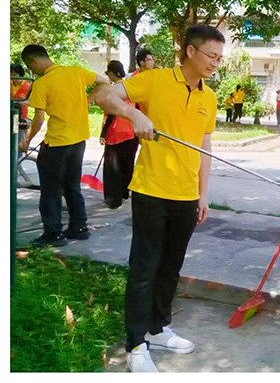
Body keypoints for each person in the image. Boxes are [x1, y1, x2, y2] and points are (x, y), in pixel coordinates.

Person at [93, 24, 223, 374]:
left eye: (220, 58)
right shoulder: (154, 79)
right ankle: (136, 343)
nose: (215, 63)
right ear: (191, 51)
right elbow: (103, 94)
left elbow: (204, 146)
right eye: (211, 56)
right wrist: (135, 113)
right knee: (144, 269)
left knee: (171, 267)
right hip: (152, 191)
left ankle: (158, 327)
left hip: (186, 195)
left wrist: (203, 193)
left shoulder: (207, 97)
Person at [18, 45, 108, 246]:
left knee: (50, 190)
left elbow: (39, 120)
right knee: (72, 187)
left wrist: (26, 141)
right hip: (78, 142)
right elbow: (104, 81)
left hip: (56, 144)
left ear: (34, 61)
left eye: (30, 67)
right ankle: (79, 228)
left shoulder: (42, 84)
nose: (32, 72)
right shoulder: (76, 72)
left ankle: (53, 234)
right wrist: (88, 101)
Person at [100, 60, 139, 210]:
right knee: (127, 165)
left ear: (112, 72)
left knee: (112, 168)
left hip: (116, 132)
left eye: (107, 72)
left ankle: (113, 199)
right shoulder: (132, 87)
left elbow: (111, 112)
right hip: (131, 132)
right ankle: (124, 192)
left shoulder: (115, 90)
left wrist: (103, 133)